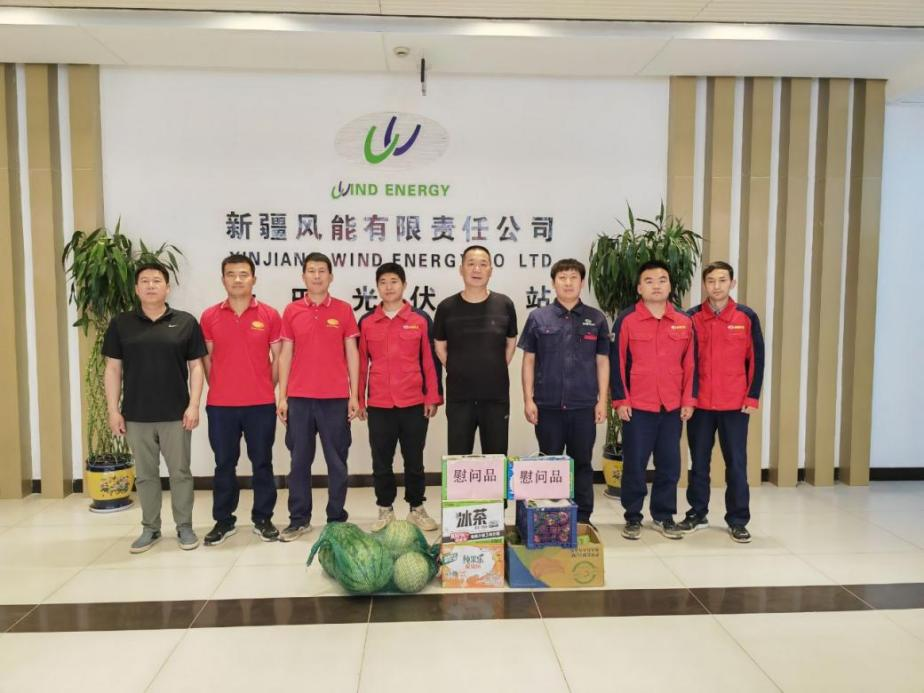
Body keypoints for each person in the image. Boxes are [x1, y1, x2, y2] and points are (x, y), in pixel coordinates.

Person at [103, 262, 207, 553]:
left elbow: (196, 367)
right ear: (136, 289)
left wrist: (194, 405)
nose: (151, 285)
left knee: (180, 473)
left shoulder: (185, 322)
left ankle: (184, 527)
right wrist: (113, 410)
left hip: (176, 414)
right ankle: (150, 528)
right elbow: (113, 369)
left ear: (167, 288)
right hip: (136, 415)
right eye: (145, 281)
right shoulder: (121, 324)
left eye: (157, 280)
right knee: (146, 476)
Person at [678, 261, 765, 543]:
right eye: (711, 281)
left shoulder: (746, 317)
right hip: (700, 405)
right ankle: (697, 513)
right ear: (704, 285)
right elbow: (684, 361)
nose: (716, 286)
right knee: (698, 463)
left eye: (722, 280)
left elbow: (756, 359)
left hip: (735, 404)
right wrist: (687, 398)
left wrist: (752, 396)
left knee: (736, 463)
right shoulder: (691, 317)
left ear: (732, 283)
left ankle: (738, 519)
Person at [518, 259, 609, 525]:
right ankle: (551, 518)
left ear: (582, 282)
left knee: (582, 463)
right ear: (553, 282)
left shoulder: (596, 318)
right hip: (548, 406)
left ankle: (582, 519)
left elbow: (602, 362)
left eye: (573, 277)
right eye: (562, 278)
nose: (568, 283)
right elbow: (529, 361)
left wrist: (602, 400)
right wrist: (528, 399)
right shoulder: (538, 317)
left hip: (583, 406)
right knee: (550, 465)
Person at [199, 254, 282, 546]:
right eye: (231, 274)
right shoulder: (209, 316)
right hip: (221, 406)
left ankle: (263, 518)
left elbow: (278, 358)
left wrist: (266, 386)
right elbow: (207, 359)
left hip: (260, 404)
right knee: (224, 464)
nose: (237, 279)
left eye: (243, 274)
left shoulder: (270, 315)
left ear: (253, 279)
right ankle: (224, 520)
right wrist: (219, 386)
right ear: (223, 279)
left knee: (262, 462)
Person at [277, 252, 360, 542]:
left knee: (337, 462)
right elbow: (285, 354)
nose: (316, 276)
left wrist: (354, 394)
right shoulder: (292, 311)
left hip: (335, 398)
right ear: (303, 277)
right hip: (299, 398)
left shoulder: (343, 310)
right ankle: (299, 519)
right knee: (299, 462)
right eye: (311, 270)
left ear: (330, 276)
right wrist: (282, 396)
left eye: (322, 270)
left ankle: (336, 518)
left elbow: (352, 352)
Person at [611, 260, 696, 541]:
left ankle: (663, 515)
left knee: (670, 464)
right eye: (649, 281)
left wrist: (688, 400)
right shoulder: (627, 320)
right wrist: (620, 400)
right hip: (638, 407)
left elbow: (691, 364)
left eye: (662, 280)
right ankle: (633, 516)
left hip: (672, 406)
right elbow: (617, 363)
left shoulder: (684, 321)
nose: (656, 286)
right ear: (639, 288)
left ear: (670, 285)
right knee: (635, 464)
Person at [357, 263, 443, 532]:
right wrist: (359, 399)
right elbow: (360, 364)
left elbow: (430, 362)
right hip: (379, 403)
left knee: (414, 460)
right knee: (381, 460)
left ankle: (416, 508)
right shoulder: (367, 322)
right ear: (377, 286)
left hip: (413, 402)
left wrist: (432, 396)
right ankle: (385, 509)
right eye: (383, 282)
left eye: (394, 281)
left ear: (404, 285)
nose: (389, 287)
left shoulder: (420, 319)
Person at [433, 246, 518, 455]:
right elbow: (440, 347)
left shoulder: (504, 304)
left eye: (483, 264)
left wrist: (494, 366)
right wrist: (457, 367)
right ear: (461, 269)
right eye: (471, 264)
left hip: (495, 396)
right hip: (459, 396)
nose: (477, 269)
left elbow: (510, 342)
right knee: (458, 458)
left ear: (491, 270)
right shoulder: (446, 307)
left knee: (497, 457)